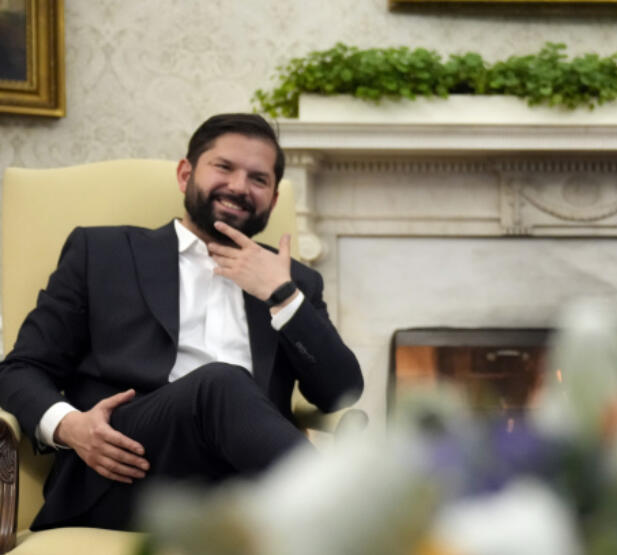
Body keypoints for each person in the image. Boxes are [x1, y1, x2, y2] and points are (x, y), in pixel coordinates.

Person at [0, 113, 363, 530]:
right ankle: (352, 523)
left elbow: (340, 392)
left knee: (225, 388)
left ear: (274, 200)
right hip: (122, 472)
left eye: (259, 179)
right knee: (220, 382)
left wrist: (282, 297)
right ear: (185, 173)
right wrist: (70, 426)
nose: (240, 187)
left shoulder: (293, 282)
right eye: (224, 167)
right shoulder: (103, 252)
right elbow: (20, 369)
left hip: (242, 488)